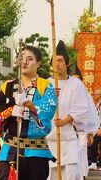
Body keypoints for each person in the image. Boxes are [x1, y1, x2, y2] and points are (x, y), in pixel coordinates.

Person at [0, 45, 57, 180]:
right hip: (10, 150)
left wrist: (30, 105)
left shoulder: (45, 86)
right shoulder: (7, 86)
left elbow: (47, 115)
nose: (25, 62)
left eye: (30, 59)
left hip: (35, 152)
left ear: (38, 63)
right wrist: (10, 110)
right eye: (22, 58)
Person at [46, 40, 99, 180]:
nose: (57, 64)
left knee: (72, 175)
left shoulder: (76, 84)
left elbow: (82, 109)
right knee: (51, 175)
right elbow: (39, 110)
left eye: (60, 60)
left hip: (69, 140)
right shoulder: (46, 84)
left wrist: (66, 120)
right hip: (49, 141)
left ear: (67, 63)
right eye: (54, 61)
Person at [70, 64, 98, 177]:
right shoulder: (65, 91)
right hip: (66, 132)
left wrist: (90, 132)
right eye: (74, 79)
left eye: (78, 79)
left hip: (81, 132)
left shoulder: (86, 94)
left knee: (80, 161)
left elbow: (91, 113)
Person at [89, 88, 101, 170]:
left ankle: (95, 162)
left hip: (99, 128)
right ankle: (93, 163)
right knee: (92, 142)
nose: (93, 96)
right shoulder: (93, 104)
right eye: (93, 94)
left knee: (95, 141)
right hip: (95, 128)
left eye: (95, 94)